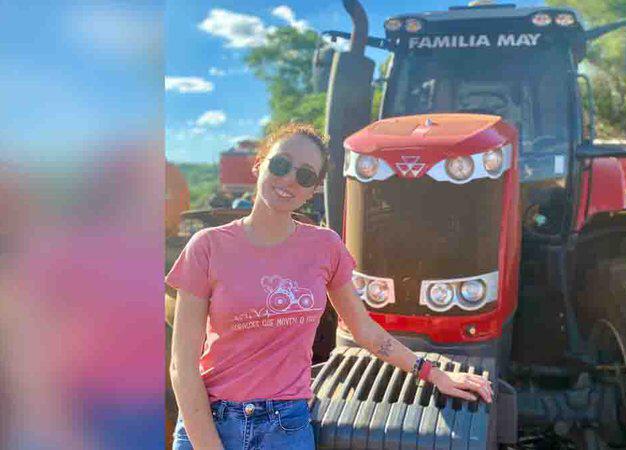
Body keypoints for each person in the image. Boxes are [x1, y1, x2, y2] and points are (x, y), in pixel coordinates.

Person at [167, 124, 492, 450]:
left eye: (305, 176)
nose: (290, 179)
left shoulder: (325, 246)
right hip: (210, 421)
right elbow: (182, 364)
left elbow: (365, 331)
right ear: (259, 164)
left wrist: (434, 374)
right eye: (281, 164)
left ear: (313, 191)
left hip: (284, 427)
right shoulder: (207, 247)